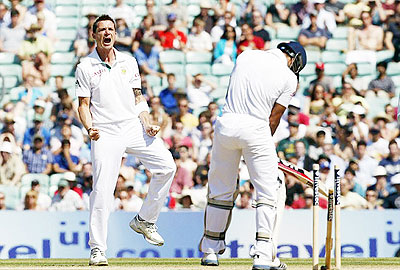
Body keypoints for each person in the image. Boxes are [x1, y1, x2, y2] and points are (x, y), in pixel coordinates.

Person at [75, 15, 176, 266]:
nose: (107, 33)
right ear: (94, 35)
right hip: (105, 131)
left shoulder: (129, 61)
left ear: (116, 34)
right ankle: (98, 249)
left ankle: (145, 220)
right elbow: (83, 105)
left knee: (167, 167)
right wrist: (89, 128)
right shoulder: (85, 66)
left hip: (133, 126)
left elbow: (138, 97)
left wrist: (146, 121)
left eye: (111, 29)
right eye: (102, 30)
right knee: (102, 191)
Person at [198, 41, 307, 270]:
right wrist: (261, 148)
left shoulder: (245, 56)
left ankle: (210, 250)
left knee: (220, 190)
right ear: (295, 60)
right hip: (256, 128)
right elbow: (274, 119)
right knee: (269, 190)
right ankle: (263, 254)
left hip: (226, 124)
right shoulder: (289, 78)